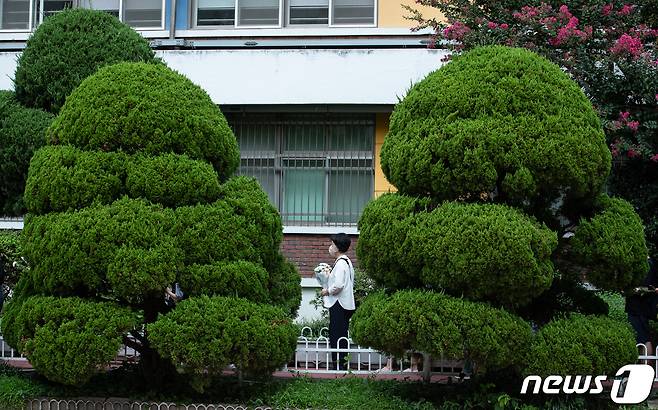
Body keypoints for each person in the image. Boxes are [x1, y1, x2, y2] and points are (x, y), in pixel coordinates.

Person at [321, 233, 355, 370]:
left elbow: (339, 285)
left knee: (337, 336)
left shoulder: (341, 263)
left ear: (338, 247)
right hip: (344, 304)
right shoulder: (346, 261)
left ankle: (339, 367)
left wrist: (327, 291)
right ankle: (341, 365)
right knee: (341, 334)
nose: (330, 247)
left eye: (333, 244)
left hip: (339, 304)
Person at [626, 257, 658, 358]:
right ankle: (645, 364)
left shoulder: (647, 264)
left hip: (640, 307)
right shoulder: (649, 263)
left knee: (643, 338)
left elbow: (645, 287)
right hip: (639, 307)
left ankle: (646, 366)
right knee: (642, 338)